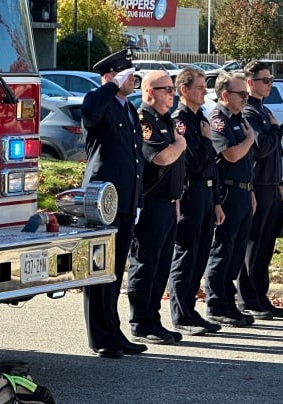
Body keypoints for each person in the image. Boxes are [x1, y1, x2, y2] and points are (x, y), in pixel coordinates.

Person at [80, 49, 147, 359]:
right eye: (124, 75)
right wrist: (109, 86)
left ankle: (114, 331)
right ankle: (100, 337)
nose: (131, 79)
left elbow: (135, 160)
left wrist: (137, 201)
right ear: (109, 76)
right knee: (100, 270)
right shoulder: (101, 101)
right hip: (102, 201)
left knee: (115, 270)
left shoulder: (128, 109)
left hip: (123, 201)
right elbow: (90, 112)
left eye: (130, 74)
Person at [127, 71, 187, 345]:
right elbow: (161, 158)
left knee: (162, 265)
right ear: (150, 92)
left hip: (167, 204)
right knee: (146, 264)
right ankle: (141, 322)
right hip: (149, 205)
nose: (172, 94)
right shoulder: (144, 120)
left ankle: (154, 319)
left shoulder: (166, 120)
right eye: (167, 89)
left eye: (173, 89)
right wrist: (180, 144)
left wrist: (176, 200)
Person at [168, 67, 225, 336]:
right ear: (184, 90)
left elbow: (212, 166)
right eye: (200, 87)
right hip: (189, 195)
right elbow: (193, 161)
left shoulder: (200, 118)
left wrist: (216, 202)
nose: (205, 92)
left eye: (205, 87)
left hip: (205, 194)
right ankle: (181, 315)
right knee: (186, 256)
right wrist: (205, 139)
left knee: (201, 255)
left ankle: (191, 311)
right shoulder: (181, 121)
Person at [203, 72, 256, 327]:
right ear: (225, 95)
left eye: (247, 94)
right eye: (241, 94)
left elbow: (246, 161)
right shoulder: (218, 120)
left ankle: (228, 302)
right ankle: (216, 305)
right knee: (222, 251)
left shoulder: (238, 119)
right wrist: (249, 139)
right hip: (227, 193)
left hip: (243, 192)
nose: (246, 98)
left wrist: (251, 191)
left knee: (236, 254)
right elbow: (232, 155)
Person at [237, 60, 283, 319]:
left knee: (266, 246)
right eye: (265, 80)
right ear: (250, 82)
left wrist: (279, 185)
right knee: (252, 246)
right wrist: (277, 129)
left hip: (270, 186)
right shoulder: (249, 112)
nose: (270, 84)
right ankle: (247, 299)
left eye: (271, 80)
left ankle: (260, 295)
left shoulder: (263, 110)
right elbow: (259, 148)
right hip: (256, 187)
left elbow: (272, 153)